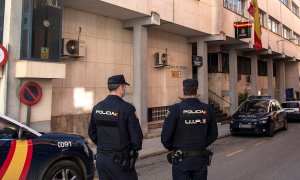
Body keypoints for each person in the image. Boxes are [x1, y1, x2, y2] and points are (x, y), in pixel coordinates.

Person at [161, 79, 218, 180]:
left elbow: (165, 137)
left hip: (181, 160)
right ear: (196, 91)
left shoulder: (176, 109)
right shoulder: (207, 109)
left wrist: (173, 148)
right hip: (200, 158)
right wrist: (202, 144)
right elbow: (214, 134)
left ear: (183, 90)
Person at [88, 74, 143, 180]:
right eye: (125, 86)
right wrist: (132, 150)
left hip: (102, 159)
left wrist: (104, 145)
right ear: (121, 87)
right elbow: (137, 138)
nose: (125, 89)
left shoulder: (97, 107)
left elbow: (92, 132)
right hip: (120, 161)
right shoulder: (127, 108)